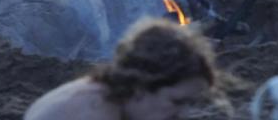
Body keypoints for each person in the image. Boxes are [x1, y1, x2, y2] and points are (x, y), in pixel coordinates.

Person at [25, 18, 222, 120]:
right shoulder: (92, 113)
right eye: (176, 101)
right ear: (140, 86)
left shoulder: (105, 94)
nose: (183, 114)